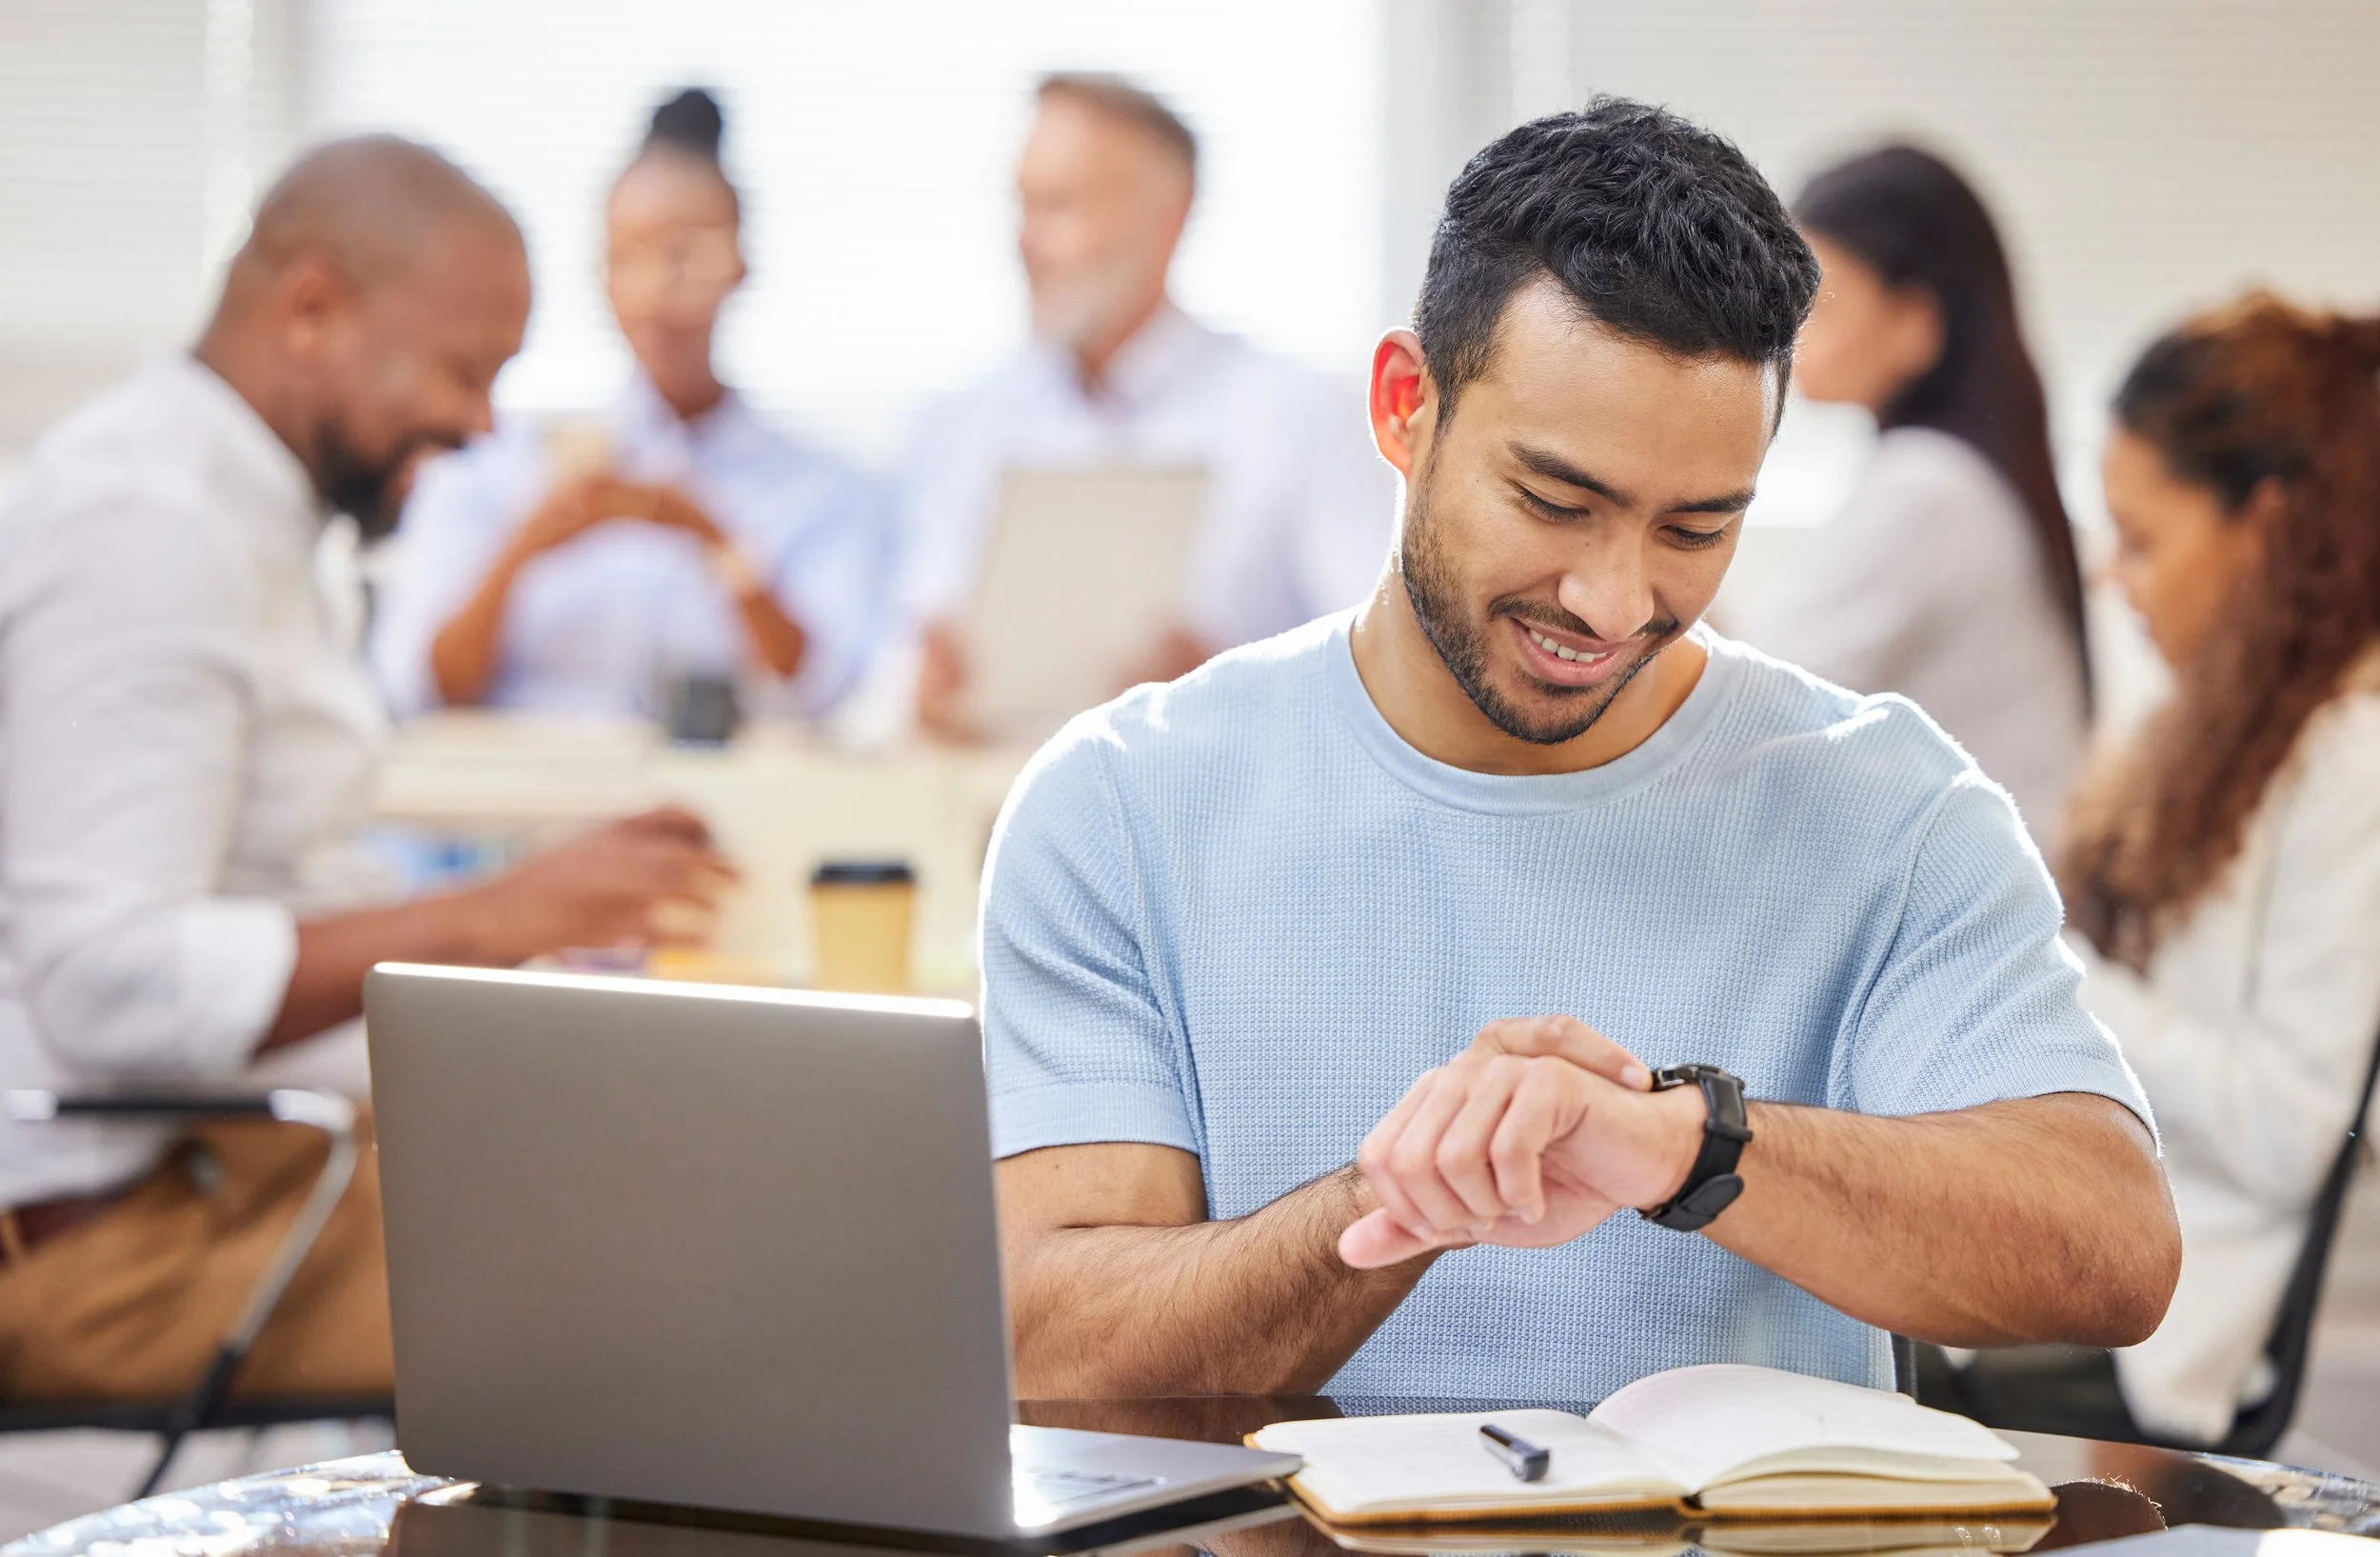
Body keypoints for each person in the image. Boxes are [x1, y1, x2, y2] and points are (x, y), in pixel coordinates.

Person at [984, 100, 2179, 1403]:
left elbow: (2113, 1250)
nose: (1614, 603)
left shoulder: (1887, 802)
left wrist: (1682, 1145)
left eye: (1695, 527)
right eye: (1557, 502)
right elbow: (1048, 1340)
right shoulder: (1124, 802)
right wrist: (1396, 1203)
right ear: (1404, 407)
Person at [0, 137, 731, 1401]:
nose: (480, 422)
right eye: (464, 371)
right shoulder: (147, 529)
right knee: (695, 1278)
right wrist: (488, 919)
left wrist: (526, 939)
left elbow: (269, 881)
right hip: (126, 1236)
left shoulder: (262, 516)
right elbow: (103, 981)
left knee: (688, 1159)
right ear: (313, 311)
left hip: (250, 1162)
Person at [1943, 294, 2380, 1446]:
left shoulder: (2352, 767)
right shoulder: (2224, 739)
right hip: (2097, 1254)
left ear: (2267, 530)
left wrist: (2058, 977)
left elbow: (2293, 1130)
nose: (2108, 575)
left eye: (2139, 539)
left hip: (2159, 1337)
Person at [895, 72, 1394, 740]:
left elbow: (1382, 661)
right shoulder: (961, 426)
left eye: (1059, 207)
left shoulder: (1294, 414)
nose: (1025, 241)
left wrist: (1225, 685)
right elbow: (895, 660)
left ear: (1168, 215)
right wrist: (920, 692)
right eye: (1022, 206)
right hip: (994, 808)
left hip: (1222, 804)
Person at [371, 89, 889, 722]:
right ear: (600, 274)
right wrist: (526, 545)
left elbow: (831, 697)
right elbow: (421, 689)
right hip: (519, 813)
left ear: (739, 264)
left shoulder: (821, 491)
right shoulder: (494, 463)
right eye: (628, 258)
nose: (656, 290)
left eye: (684, 256)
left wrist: (712, 535)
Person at [1736, 147, 2090, 848]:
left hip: (1982, 916)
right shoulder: (1964, 475)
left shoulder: (1928, 488)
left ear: (1916, 320)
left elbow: (1758, 716)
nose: (1791, 331)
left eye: (1821, 301)